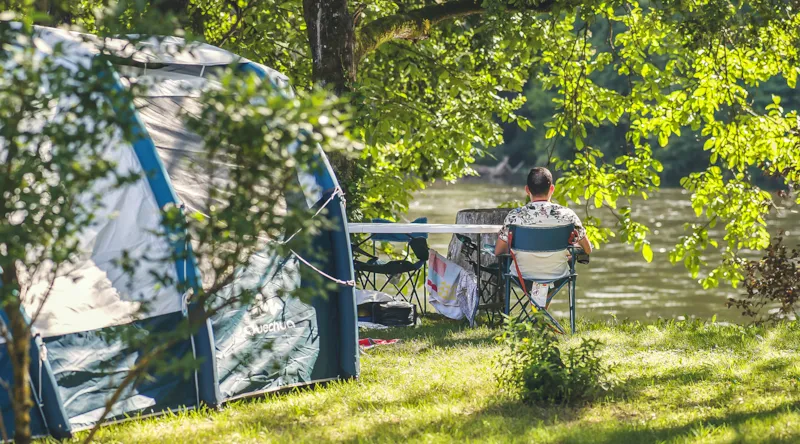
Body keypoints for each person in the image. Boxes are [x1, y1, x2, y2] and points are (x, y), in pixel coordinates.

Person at [495, 167, 592, 279]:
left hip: (521, 276)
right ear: (552, 189)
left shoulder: (514, 216)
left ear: (527, 190)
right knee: (570, 256)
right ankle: (548, 294)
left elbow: (498, 251)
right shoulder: (568, 215)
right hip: (558, 276)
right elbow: (588, 249)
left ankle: (534, 295)